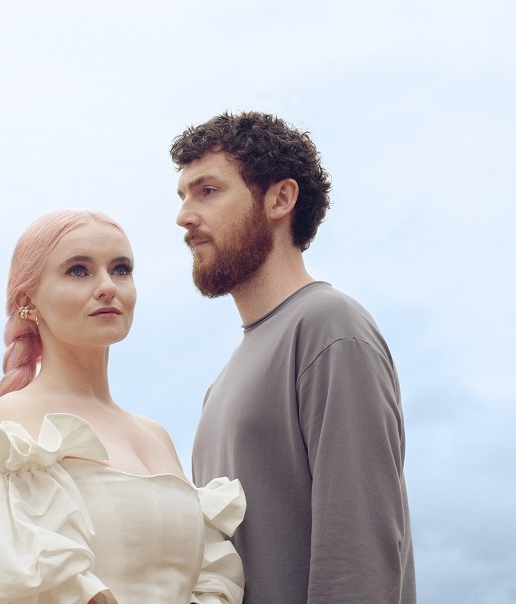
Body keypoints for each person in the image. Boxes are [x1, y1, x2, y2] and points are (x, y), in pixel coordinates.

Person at [0, 210, 246, 603]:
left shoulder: (156, 435)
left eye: (121, 269)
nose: (107, 286)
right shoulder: (18, 419)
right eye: (79, 271)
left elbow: (212, 579)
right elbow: (22, 585)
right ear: (27, 302)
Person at [170, 111, 416, 603]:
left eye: (208, 191)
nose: (185, 217)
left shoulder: (330, 327)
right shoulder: (219, 386)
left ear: (280, 199)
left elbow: (359, 552)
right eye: (182, 197)